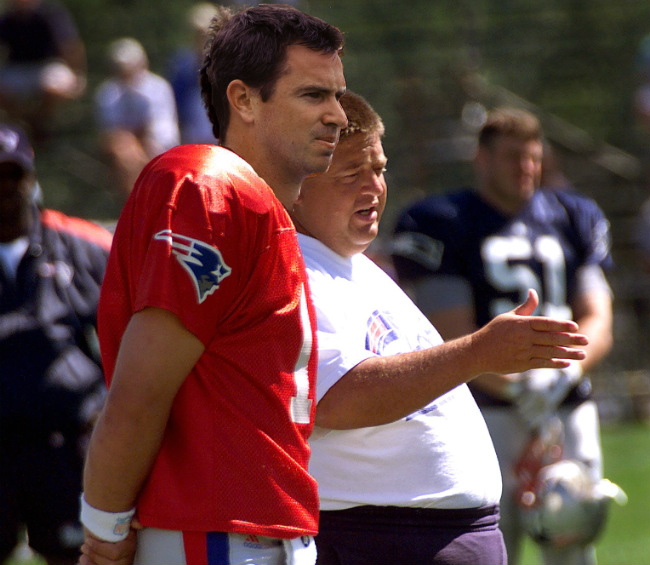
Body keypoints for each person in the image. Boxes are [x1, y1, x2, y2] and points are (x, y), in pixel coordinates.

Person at [79, 5, 347, 565]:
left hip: (259, 530)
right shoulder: (210, 189)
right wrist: (104, 530)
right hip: (216, 535)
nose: (338, 116)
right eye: (313, 96)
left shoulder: (260, 208)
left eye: (338, 96)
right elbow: (139, 391)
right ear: (243, 100)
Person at [290, 92, 589, 565]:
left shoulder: (354, 263)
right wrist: (478, 354)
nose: (374, 187)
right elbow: (335, 398)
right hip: (380, 539)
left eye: (380, 169)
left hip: (426, 535)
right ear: (298, 184)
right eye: (352, 174)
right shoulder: (294, 270)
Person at [391, 107, 614, 565]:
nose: (526, 168)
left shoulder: (573, 214)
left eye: (533, 157)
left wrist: (566, 373)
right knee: (492, 543)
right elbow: (450, 333)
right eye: (513, 157)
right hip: (485, 410)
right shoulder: (442, 220)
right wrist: (515, 389)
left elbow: (599, 317)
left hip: (567, 403)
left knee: (574, 541)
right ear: (482, 158)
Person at [0, 123, 111, 565]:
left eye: (12, 175)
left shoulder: (80, 246)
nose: (4, 189)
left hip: (68, 448)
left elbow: (137, 336)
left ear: (31, 177)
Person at [94, 37, 180, 200]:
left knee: (132, 155)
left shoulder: (158, 88)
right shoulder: (107, 93)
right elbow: (111, 133)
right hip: (124, 150)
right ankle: (136, 203)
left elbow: (160, 131)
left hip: (156, 145)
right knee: (124, 153)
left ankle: (139, 202)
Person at [0, 0, 86, 142]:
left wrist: (78, 76)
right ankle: (25, 122)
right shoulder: (7, 18)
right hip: (18, 68)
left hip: (48, 64)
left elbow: (70, 46)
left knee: (53, 87)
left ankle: (40, 121)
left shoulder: (50, 13)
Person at [167, 2, 225, 145]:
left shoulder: (229, 60)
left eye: (206, 32)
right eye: (198, 33)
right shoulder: (182, 66)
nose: (202, 37)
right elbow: (177, 106)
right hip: (193, 138)